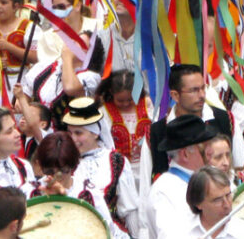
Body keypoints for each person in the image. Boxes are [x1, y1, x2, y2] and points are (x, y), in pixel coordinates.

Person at [63, 98, 138, 238]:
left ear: (95, 133)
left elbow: (129, 209)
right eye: (70, 133)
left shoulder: (115, 160)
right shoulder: (64, 162)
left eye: (78, 133)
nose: (73, 139)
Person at [145, 114, 216, 239]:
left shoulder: (212, 175)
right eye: (205, 146)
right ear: (185, 154)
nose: (211, 151)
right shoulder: (164, 193)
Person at [186, 166, 244, 239]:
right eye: (218, 200)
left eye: (228, 195)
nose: (227, 205)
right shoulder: (180, 231)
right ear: (198, 204)